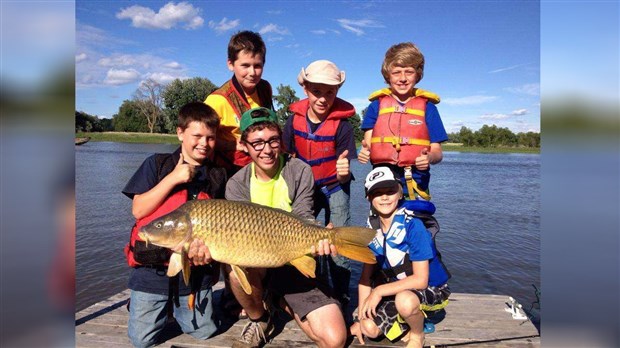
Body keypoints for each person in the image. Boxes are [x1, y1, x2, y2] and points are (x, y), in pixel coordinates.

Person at [226, 107, 347, 348]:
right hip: (256, 262)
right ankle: (260, 319)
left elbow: (303, 217)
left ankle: (280, 298)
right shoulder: (236, 184)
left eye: (272, 140)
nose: (267, 150)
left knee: (335, 340)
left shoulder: (298, 170)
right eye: (257, 143)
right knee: (234, 274)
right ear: (244, 145)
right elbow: (235, 236)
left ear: (281, 141)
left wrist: (320, 237)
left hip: (293, 259)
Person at [122, 102, 227, 347]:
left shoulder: (218, 175)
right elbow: (138, 209)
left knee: (204, 332)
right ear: (180, 133)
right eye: (197, 136)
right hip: (151, 270)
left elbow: (223, 227)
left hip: (194, 273)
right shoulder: (157, 164)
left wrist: (208, 255)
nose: (204, 143)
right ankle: (143, 302)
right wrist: (173, 179)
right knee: (141, 341)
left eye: (210, 138)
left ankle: (178, 309)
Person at [350, 167, 451, 348]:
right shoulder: (371, 231)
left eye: (390, 191)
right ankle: (404, 322)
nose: (385, 197)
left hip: (430, 288)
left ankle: (417, 334)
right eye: (377, 193)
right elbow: (365, 279)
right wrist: (360, 318)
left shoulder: (413, 226)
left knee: (405, 301)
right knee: (368, 329)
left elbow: (421, 280)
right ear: (368, 198)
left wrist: (379, 291)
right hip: (398, 290)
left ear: (400, 193)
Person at [282, 60, 357, 305]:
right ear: (305, 89)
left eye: (330, 92)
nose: (323, 98)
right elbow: (285, 160)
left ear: (337, 92)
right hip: (306, 190)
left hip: (335, 186)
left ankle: (342, 293)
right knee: (301, 239)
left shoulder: (343, 126)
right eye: (317, 91)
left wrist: (344, 173)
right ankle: (313, 287)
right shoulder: (293, 121)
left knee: (338, 242)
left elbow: (344, 173)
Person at [357, 42, 448, 203]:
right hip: (382, 187)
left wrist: (429, 158)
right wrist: (364, 152)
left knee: (417, 227)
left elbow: (437, 152)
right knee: (381, 228)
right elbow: (369, 144)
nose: (403, 78)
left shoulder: (428, 108)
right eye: (397, 72)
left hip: (415, 186)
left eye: (409, 72)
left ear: (418, 74)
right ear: (388, 75)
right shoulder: (375, 106)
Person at [205, 30, 274, 174]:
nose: (252, 73)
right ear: (230, 64)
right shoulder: (217, 100)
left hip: (263, 164)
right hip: (230, 169)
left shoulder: (265, 88)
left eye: (257, 66)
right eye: (245, 65)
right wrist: (235, 144)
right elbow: (202, 140)